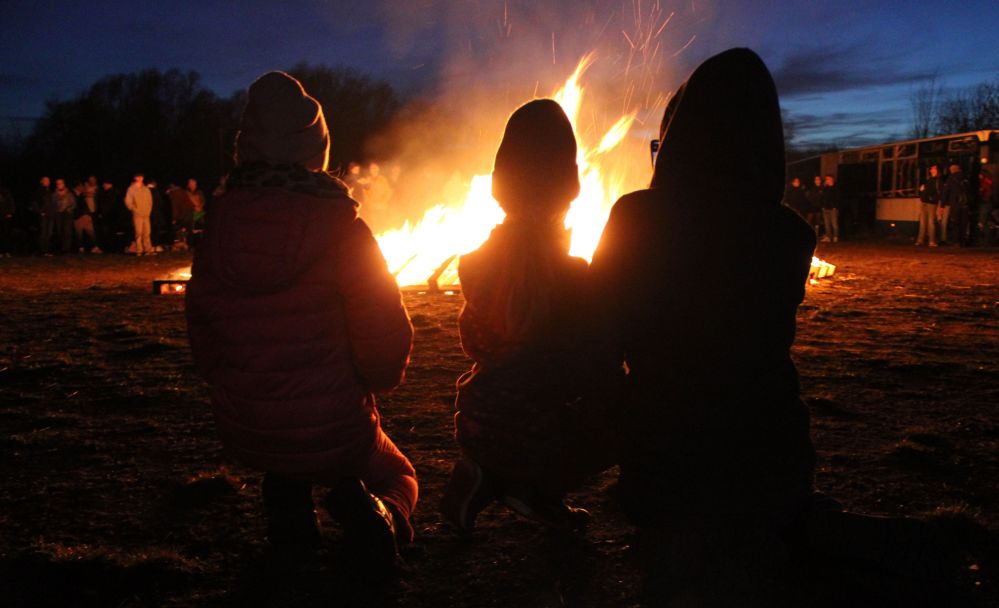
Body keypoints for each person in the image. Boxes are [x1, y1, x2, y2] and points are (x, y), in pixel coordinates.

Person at [185, 71, 416, 573]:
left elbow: (201, 329)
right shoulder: (342, 228)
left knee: (286, 461)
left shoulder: (216, 227)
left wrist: (234, 383)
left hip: (246, 423)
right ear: (316, 150)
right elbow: (382, 327)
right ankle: (381, 515)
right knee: (399, 473)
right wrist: (380, 378)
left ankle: (289, 515)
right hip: (334, 425)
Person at [439, 99, 616, 533]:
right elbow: (590, 366)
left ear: (500, 186)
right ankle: (535, 488)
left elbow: (479, 340)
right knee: (617, 410)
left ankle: (486, 475)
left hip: (479, 418)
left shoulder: (473, 264)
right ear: (569, 189)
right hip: (536, 429)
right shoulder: (571, 276)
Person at [939, 163, 969, 246]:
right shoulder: (966, 177)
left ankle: (956, 241)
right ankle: (963, 241)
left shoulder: (951, 178)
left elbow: (946, 192)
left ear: (952, 170)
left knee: (956, 222)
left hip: (955, 203)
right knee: (964, 223)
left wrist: (942, 205)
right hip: (966, 203)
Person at [124, 173, 154, 255]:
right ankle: (139, 250)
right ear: (135, 177)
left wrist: (148, 210)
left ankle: (148, 249)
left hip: (146, 214)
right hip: (137, 214)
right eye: (138, 176)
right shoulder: (131, 189)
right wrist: (134, 209)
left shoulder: (146, 189)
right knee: (139, 232)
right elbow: (128, 201)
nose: (140, 178)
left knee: (147, 232)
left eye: (141, 176)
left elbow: (150, 201)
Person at [72, 178, 100, 253]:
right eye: (81, 186)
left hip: (85, 215)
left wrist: (87, 214)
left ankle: (94, 246)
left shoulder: (81, 195)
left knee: (90, 232)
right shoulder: (72, 195)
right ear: (78, 187)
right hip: (77, 217)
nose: (83, 188)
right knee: (79, 233)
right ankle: (80, 247)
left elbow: (85, 205)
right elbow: (74, 206)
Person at [916, 164, 941, 247]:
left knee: (930, 222)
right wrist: (922, 192)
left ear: (937, 170)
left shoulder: (937, 180)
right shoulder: (929, 179)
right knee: (923, 222)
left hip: (931, 203)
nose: (931, 170)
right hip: (925, 202)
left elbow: (935, 191)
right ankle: (921, 240)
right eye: (931, 169)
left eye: (934, 169)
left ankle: (931, 241)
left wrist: (923, 191)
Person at [52, 178, 77, 253]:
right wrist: (56, 210)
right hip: (58, 215)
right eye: (57, 183)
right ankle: (61, 248)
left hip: (67, 214)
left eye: (60, 183)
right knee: (60, 231)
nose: (59, 185)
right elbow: (53, 204)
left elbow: (74, 204)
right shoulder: (54, 195)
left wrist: (69, 210)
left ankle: (67, 249)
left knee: (67, 231)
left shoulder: (69, 194)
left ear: (64, 184)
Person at [33, 176, 54, 255]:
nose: (47, 181)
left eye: (48, 180)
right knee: (43, 233)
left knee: (49, 233)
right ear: (41, 181)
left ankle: (48, 250)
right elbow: (35, 203)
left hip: (51, 214)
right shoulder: (39, 191)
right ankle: (42, 251)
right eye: (45, 180)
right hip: (44, 215)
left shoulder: (50, 191)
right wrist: (40, 212)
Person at [976, 168, 993, 246]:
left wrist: (981, 194)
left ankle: (985, 240)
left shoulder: (984, 183)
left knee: (982, 222)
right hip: (988, 203)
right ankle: (987, 240)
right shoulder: (989, 182)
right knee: (986, 221)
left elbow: (984, 193)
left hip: (985, 203)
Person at [820, 174, 840, 242]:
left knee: (834, 224)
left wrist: (835, 206)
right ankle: (828, 237)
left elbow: (838, 198)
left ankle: (835, 236)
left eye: (828, 179)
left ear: (832, 179)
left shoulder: (836, 188)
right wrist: (823, 206)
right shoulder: (825, 188)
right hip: (825, 208)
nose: (826, 180)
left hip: (833, 209)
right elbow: (822, 197)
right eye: (826, 179)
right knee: (827, 224)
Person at [0, 180, 14, 257]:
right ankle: (1, 251)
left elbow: (10, 201)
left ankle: (7, 251)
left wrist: (10, 212)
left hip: (5, 215)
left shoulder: (5, 191)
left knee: (6, 233)